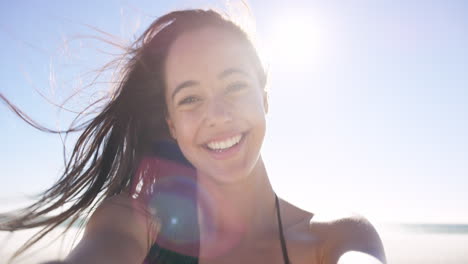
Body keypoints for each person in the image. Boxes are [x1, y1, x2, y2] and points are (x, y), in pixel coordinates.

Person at [0, 9, 386, 264]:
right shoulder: (135, 223)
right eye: (190, 98)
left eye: (234, 86)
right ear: (170, 123)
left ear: (265, 98)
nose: (217, 115)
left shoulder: (337, 239)